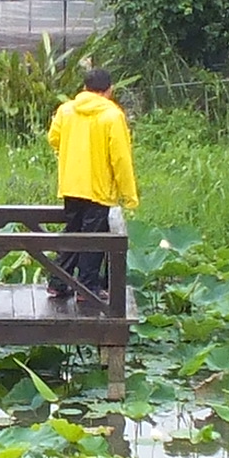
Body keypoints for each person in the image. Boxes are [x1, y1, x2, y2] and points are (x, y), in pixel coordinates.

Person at [45, 65, 138, 309]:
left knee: (72, 233)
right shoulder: (112, 115)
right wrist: (129, 195)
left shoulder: (66, 110)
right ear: (109, 90)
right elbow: (120, 158)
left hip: (71, 184)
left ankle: (57, 282)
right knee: (93, 239)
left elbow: (53, 138)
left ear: (84, 88)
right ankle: (87, 287)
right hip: (98, 188)